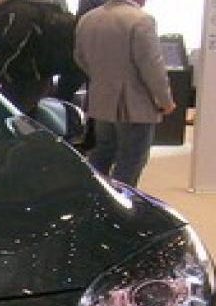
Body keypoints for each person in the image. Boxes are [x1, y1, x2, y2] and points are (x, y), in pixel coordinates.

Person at [74, 0, 174, 187]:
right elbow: (152, 66)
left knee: (102, 152)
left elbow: (79, 57)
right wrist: (165, 99)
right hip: (134, 102)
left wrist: (101, 78)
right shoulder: (141, 20)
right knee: (131, 158)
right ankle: (122, 199)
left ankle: (93, 193)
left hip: (100, 98)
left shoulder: (88, 18)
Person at [0, 0, 50, 114]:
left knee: (12, 116)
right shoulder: (33, 9)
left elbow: (11, 47)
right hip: (36, 76)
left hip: (23, 79)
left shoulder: (18, 12)